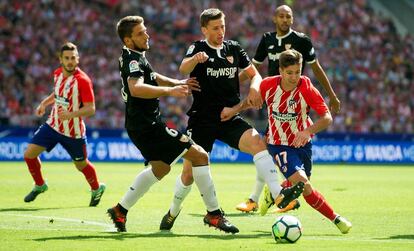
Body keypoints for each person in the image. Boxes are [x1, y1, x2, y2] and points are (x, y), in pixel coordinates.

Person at [158, 8, 305, 231]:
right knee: (188, 174)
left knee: (258, 142)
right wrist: (194, 60)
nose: (221, 32)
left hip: (229, 117)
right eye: (215, 28)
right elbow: (183, 67)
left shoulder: (233, 48)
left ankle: (278, 195)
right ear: (204, 29)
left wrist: (255, 89)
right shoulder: (198, 48)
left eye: (223, 27)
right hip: (202, 120)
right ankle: (172, 211)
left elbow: (254, 74)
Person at [107, 15, 239, 234]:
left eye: (145, 30)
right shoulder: (133, 60)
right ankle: (214, 214)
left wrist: (176, 82)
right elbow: (136, 88)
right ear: (128, 40)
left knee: (161, 168)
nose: (147, 35)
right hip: (149, 126)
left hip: (139, 125)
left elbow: (151, 76)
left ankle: (120, 210)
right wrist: (171, 90)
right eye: (140, 33)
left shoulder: (134, 56)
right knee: (200, 156)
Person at [236, 4, 341, 213]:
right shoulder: (267, 39)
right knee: (267, 148)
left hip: (296, 100)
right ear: (275, 19)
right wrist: (231, 85)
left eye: (288, 17)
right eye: (281, 16)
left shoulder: (301, 41)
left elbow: (316, 68)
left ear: (292, 20)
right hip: (274, 98)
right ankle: (257, 197)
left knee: (270, 151)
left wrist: (331, 95)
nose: (285, 20)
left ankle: (264, 195)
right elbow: (253, 68)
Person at [259, 49, 352, 234]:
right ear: (280, 70)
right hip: (278, 144)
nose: (294, 77)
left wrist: (307, 131)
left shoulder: (306, 87)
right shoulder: (267, 85)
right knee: (303, 184)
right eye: (289, 73)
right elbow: (252, 101)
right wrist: (236, 108)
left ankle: (273, 192)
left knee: (301, 185)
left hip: (303, 144)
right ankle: (336, 219)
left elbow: (327, 118)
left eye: (298, 72)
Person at [23, 42, 106, 207]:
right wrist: (44, 104)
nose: (70, 61)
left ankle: (96, 188)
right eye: (67, 58)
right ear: (60, 59)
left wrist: (70, 114)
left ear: (78, 59)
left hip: (73, 133)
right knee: (29, 155)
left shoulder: (83, 81)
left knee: (81, 165)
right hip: (52, 125)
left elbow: (91, 109)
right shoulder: (57, 73)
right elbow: (57, 93)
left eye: (73, 58)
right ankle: (40, 185)